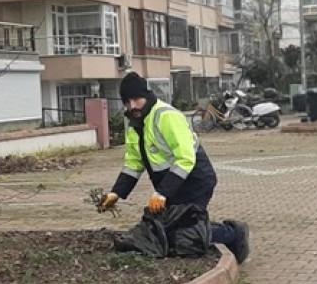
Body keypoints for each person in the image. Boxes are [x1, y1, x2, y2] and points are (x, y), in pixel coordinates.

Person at [97, 72, 250, 264]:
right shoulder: (135, 125)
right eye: (127, 102)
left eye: (136, 99)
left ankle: (234, 233)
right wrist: (116, 193)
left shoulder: (166, 116)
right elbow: (133, 164)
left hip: (195, 181)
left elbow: (185, 159)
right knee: (172, 229)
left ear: (146, 96)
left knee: (186, 235)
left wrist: (162, 193)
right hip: (172, 185)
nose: (132, 105)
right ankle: (222, 231)